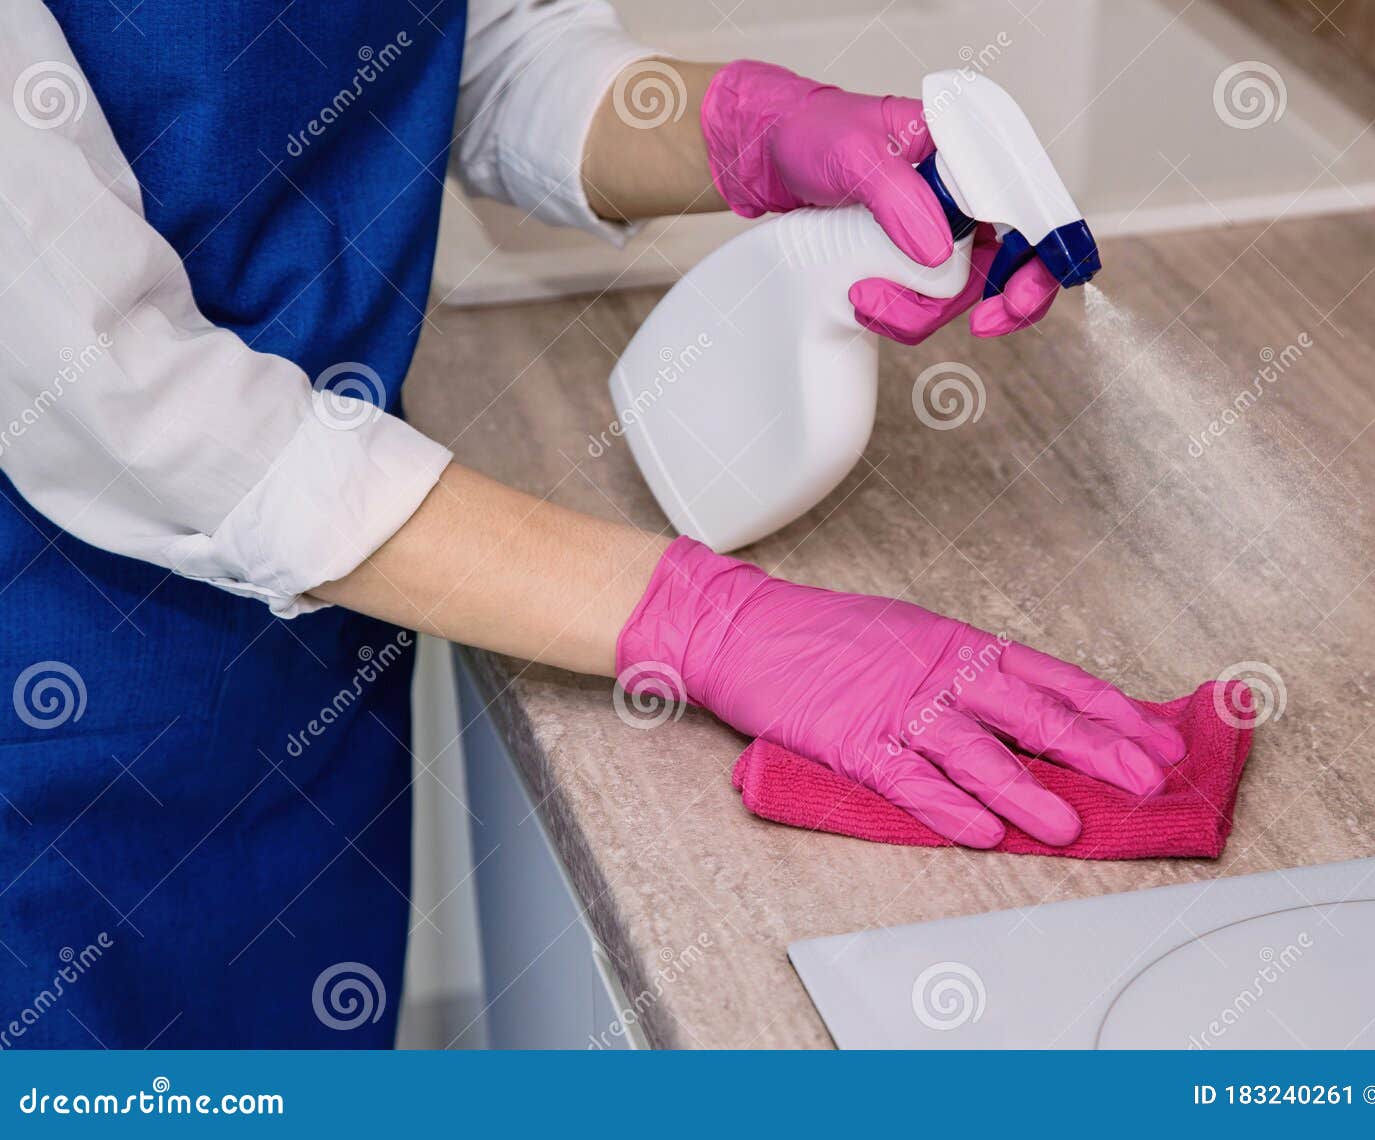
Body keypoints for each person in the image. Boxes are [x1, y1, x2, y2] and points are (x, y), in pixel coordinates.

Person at [0, 0, 1181, 1048]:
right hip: (52, 692)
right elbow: (121, 396)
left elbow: (472, 51)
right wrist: (707, 619)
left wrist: (743, 129)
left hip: (320, 641)